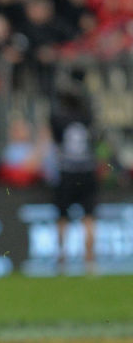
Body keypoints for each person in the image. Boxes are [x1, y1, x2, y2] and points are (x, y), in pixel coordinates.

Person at [49, 84, 99, 273]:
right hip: (86, 171)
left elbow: (55, 141)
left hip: (67, 172)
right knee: (89, 217)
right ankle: (90, 261)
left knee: (62, 217)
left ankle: (62, 258)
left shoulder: (58, 118)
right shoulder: (87, 117)